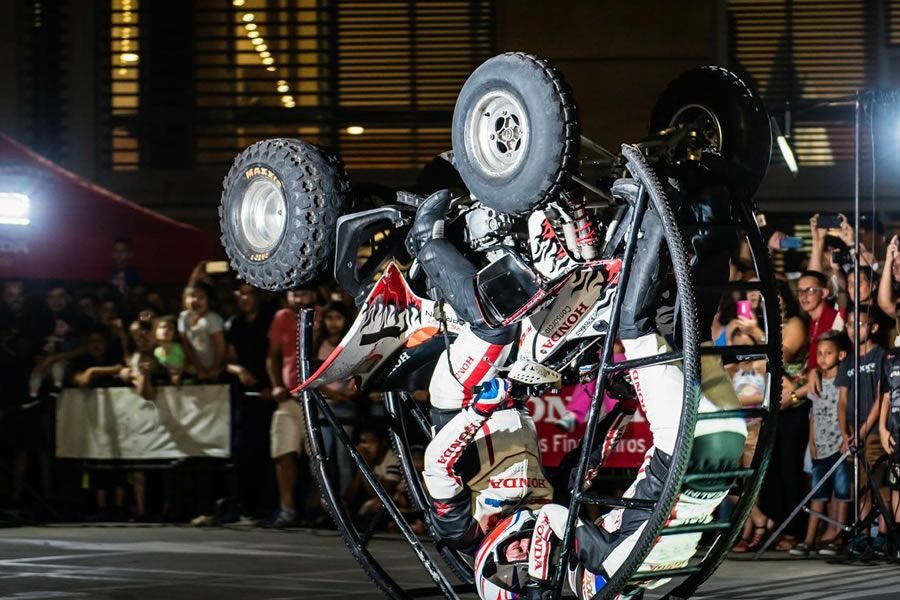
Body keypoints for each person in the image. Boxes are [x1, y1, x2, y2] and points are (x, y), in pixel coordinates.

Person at [789, 332, 850, 556]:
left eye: (829, 353)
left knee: (841, 494)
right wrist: (812, 443)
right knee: (817, 495)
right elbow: (813, 416)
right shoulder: (816, 382)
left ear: (841, 355)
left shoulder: (845, 382)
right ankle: (809, 538)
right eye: (820, 354)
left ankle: (837, 537)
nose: (823, 358)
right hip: (820, 447)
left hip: (839, 446)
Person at [836, 308, 890, 556]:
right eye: (849, 324)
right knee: (860, 486)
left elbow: (882, 396)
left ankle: (883, 535)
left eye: (859, 323)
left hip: (874, 432)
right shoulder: (847, 360)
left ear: (874, 328)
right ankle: (862, 535)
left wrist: (863, 430)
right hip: (853, 434)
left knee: (879, 486)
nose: (853, 328)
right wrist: (844, 432)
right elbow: (842, 401)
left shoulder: (881, 356)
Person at [266, 287, 320, 528]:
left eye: (303, 293)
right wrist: (276, 385)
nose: (299, 298)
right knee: (284, 453)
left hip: (318, 399)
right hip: (288, 398)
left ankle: (316, 507)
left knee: (317, 457)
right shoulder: (282, 317)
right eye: (294, 294)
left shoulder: (323, 316)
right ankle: (287, 508)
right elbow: (273, 355)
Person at [177, 284, 225, 383]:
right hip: (198, 371)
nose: (196, 300)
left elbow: (220, 347)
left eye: (201, 297)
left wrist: (213, 369)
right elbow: (187, 345)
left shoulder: (212, 318)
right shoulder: (183, 317)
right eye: (192, 296)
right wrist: (199, 368)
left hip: (217, 372)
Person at [153, 315, 185, 385]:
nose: (165, 330)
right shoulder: (155, 352)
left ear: (175, 333)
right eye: (162, 327)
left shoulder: (180, 349)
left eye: (170, 328)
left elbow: (189, 366)